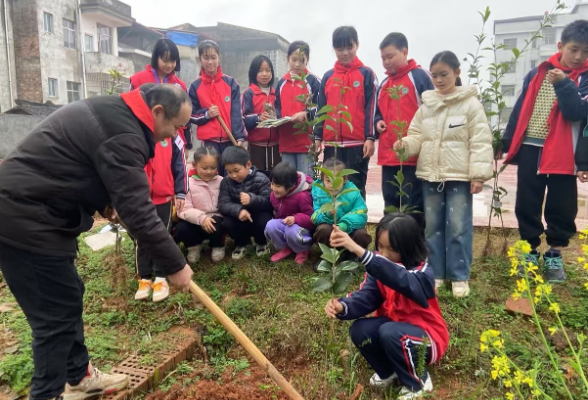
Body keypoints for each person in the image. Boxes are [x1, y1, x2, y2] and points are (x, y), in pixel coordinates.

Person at [0, 84, 194, 400]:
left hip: (36, 213)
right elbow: (140, 212)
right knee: (53, 319)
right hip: (26, 218)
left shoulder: (115, 114)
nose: (173, 135)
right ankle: (47, 394)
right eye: (175, 126)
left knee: (67, 295)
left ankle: (78, 376)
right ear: (157, 112)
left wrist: (106, 203)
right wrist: (176, 265)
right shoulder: (123, 133)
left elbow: (80, 165)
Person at [395, 51, 493, 298]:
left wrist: (478, 175)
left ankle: (459, 275)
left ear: (457, 73)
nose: (438, 80)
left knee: (459, 226)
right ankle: (436, 273)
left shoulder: (470, 104)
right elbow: (417, 136)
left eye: (444, 74)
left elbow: (480, 140)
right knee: (434, 227)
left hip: (459, 178)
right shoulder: (427, 106)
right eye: (435, 75)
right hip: (431, 176)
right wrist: (404, 145)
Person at [325, 213, 449, 400]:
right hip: (394, 332)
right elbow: (367, 297)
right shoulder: (380, 268)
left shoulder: (423, 273)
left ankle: (418, 383)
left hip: (426, 338)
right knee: (360, 329)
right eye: (380, 247)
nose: (383, 254)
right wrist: (342, 306)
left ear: (408, 248)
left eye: (391, 249)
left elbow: (401, 279)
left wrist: (359, 250)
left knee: (391, 332)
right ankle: (389, 371)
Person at [500, 20, 588, 283]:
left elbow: (577, 113)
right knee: (527, 200)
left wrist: (563, 84)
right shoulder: (537, 72)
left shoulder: (583, 79)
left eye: (586, 51)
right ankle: (529, 252)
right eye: (574, 49)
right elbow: (520, 107)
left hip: (564, 153)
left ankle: (554, 255)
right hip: (531, 147)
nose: (579, 56)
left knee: (562, 205)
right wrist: (507, 140)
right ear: (560, 46)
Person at [131, 84, 188, 303]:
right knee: (141, 238)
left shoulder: (173, 136)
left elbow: (180, 165)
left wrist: (180, 192)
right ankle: (144, 278)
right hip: (141, 197)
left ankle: (161, 277)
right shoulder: (136, 134)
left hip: (164, 195)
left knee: (162, 236)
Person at [375, 32, 433, 223]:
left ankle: (414, 248)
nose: (386, 62)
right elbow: (377, 112)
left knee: (413, 206)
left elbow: (433, 110)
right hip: (389, 154)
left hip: (412, 155)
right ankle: (388, 246)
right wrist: (378, 122)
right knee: (390, 203)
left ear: (405, 52)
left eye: (390, 57)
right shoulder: (384, 84)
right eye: (383, 58)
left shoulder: (419, 76)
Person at [314, 26, 378, 198]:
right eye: (340, 49)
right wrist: (317, 137)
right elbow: (321, 108)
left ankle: (357, 224)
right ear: (334, 49)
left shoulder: (366, 74)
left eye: (349, 47)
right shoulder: (328, 77)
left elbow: (371, 106)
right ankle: (333, 223)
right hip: (331, 145)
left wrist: (370, 137)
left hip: (357, 145)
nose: (345, 53)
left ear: (357, 45)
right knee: (330, 186)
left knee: (355, 188)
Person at [189, 39, 246, 176]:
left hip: (230, 141)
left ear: (219, 58)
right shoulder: (195, 86)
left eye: (213, 57)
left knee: (232, 177)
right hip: (210, 145)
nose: (210, 62)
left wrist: (239, 137)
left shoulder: (231, 83)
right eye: (206, 58)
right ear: (200, 59)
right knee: (211, 178)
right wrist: (207, 114)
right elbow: (191, 115)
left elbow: (236, 113)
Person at [130, 38, 192, 150]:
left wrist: (186, 144)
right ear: (156, 58)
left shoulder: (180, 85)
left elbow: (186, 119)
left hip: (173, 141)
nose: (169, 65)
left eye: (173, 61)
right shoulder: (138, 79)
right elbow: (131, 110)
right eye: (165, 60)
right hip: (146, 137)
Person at [311, 158, 372, 270]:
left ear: (344, 180)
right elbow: (314, 216)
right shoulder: (319, 193)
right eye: (328, 181)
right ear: (322, 180)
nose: (332, 185)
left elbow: (361, 213)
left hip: (350, 231)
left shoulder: (352, 192)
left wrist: (344, 225)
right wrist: (327, 215)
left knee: (361, 234)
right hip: (330, 231)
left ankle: (352, 258)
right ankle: (328, 257)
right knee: (322, 229)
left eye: (336, 181)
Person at [275, 41, 321, 175]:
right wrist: (276, 119)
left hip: (306, 144)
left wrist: (306, 114)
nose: (297, 64)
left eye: (301, 60)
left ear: (307, 60)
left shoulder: (313, 81)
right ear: (287, 58)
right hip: (286, 143)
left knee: (307, 183)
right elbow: (277, 108)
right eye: (294, 59)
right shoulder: (281, 83)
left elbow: (322, 109)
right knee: (288, 183)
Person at [218, 146, 273, 259]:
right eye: (229, 172)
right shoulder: (226, 182)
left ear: (248, 165)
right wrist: (238, 210)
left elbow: (269, 202)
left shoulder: (262, 179)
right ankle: (242, 243)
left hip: (258, 213)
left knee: (264, 221)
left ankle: (261, 242)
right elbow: (223, 204)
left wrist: (252, 199)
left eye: (237, 171)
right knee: (228, 223)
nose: (233, 175)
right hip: (239, 216)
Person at [175, 146, 226, 264]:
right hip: (194, 220)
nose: (209, 171)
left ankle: (218, 245)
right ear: (194, 164)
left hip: (215, 218)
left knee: (218, 224)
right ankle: (194, 246)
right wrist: (201, 218)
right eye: (204, 168)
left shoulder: (222, 181)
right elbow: (183, 209)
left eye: (213, 167)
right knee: (181, 228)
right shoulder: (187, 184)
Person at [264, 162, 314, 264]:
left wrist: (295, 219)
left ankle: (302, 249)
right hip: (285, 223)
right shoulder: (274, 195)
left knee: (291, 230)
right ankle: (286, 248)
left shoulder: (302, 197)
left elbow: (312, 218)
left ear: (291, 186)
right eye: (272, 183)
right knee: (271, 225)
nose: (273, 188)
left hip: (301, 228)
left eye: (278, 186)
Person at [242, 55, 281, 174]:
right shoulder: (249, 93)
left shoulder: (277, 93)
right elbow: (243, 118)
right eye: (260, 70)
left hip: (276, 145)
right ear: (254, 72)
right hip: (256, 146)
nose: (265, 74)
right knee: (257, 177)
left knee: (276, 176)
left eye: (268, 70)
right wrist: (258, 118)